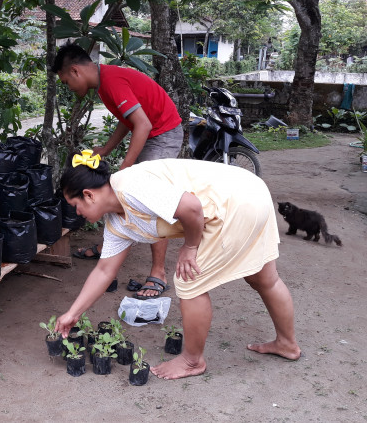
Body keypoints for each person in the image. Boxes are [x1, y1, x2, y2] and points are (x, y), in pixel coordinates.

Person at [54, 150, 301, 380]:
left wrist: (190, 247)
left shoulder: (128, 185)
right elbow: (104, 271)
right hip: (251, 192)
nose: (76, 214)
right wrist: (72, 313)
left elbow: (191, 207)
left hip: (236, 203)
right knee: (264, 278)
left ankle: (192, 361)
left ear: (88, 194)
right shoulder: (117, 224)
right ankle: (287, 344)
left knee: (187, 277)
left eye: (75, 206)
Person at [51, 42, 184, 299]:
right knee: (118, 196)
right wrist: (107, 149)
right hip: (153, 132)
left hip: (163, 134)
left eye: (67, 81)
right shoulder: (103, 84)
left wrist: (125, 171)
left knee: (150, 200)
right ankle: (109, 245)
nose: (69, 87)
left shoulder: (111, 81)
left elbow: (142, 125)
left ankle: (158, 273)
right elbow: (129, 120)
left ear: (76, 71)